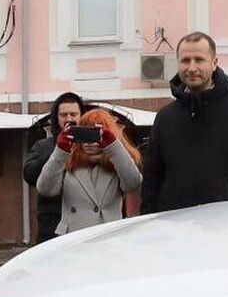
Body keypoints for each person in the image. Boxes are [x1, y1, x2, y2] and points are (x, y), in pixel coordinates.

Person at [140, 32, 228, 214]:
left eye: (199, 60)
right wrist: (149, 222)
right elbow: (152, 178)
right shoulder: (165, 117)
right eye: (186, 61)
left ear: (214, 62)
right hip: (173, 226)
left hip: (226, 224)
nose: (192, 67)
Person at [35, 108, 142, 235]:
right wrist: (60, 151)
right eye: (84, 134)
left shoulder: (118, 163)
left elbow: (133, 183)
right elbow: (45, 189)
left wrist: (113, 147)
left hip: (107, 236)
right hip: (74, 237)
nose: (89, 142)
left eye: (95, 135)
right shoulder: (68, 160)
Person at [23, 92, 86, 243]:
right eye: (64, 115)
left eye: (73, 114)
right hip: (52, 227)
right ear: (56, 118)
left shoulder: (89, 146)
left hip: (84, 227)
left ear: (81, 116)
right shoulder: (43, 146)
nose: (69, 119)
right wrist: (59, 149)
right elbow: (29, 175)